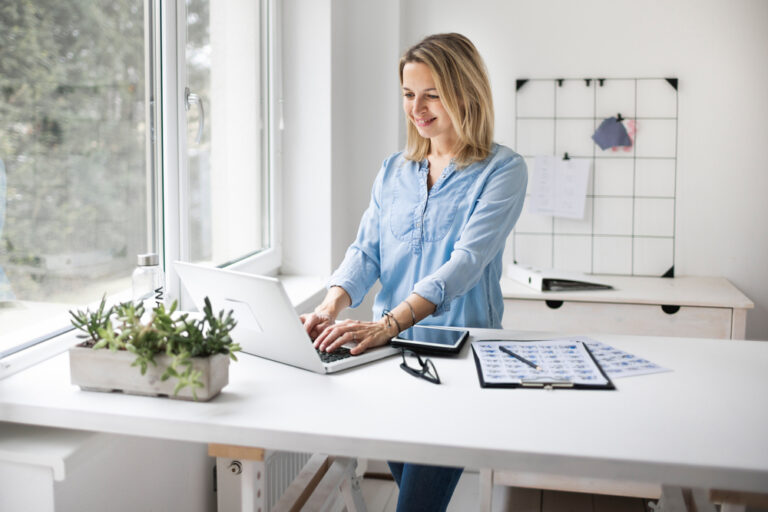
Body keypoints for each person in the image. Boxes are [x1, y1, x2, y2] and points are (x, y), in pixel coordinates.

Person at [301, 33, 527, 511]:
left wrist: (388, 323)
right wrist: (329, 305)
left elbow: (465, 263)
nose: (416, 108)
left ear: (465, 93)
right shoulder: (393, 171)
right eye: (408, 94)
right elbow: (366, 251)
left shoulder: (502, 170)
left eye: (432, 94)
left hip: (457, 357)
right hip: (390, 360)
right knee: (413, 498)